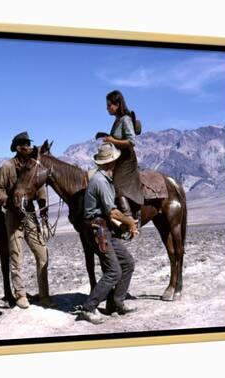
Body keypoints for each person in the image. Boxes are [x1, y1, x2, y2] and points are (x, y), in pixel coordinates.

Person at [80, 143, 138, 324]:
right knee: (114, 271)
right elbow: (112, 211)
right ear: (111, 163)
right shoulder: (100, 182)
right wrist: (129, 223)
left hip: (105, 229)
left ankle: (116, 302)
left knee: (127, 263)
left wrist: (121, 226)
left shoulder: (104, 179)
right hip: (98, 231)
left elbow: (108, 213)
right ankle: (88, 307)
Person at [0, 132, 52, 309]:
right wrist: (8, 201)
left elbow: (40, 188)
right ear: (17, 148)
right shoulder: (8, 167)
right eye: (23, 144)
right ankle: (20, 295)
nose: (27, 146)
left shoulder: (33, 165)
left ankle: (44, 295)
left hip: (30, 213)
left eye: (28, 143)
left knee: (42, 253)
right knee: (16, 256)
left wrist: (43, 205)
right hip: (13, 216)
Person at [99, 90, 144, 236]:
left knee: (117, 184)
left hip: (127, 159)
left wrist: (112, 140)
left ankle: (129, 219)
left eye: (109, 105)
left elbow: (131, 141)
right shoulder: (117, 120)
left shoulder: (125, 119)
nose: (107, 108)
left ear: (117, 104)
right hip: (117, 157)